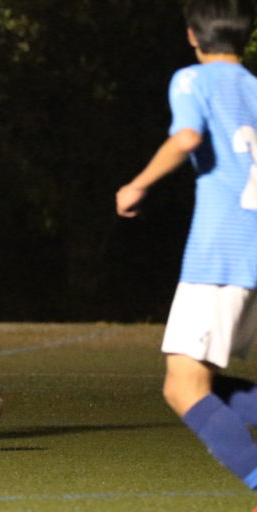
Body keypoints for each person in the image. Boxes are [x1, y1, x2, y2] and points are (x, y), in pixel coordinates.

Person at [116, 0, 257, 488]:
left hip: (220, 252)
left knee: (183, 388)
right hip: (251, 249)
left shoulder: (192, 79)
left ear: (193, 35)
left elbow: (187, 137)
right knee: (201, 381)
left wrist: (137, 185)